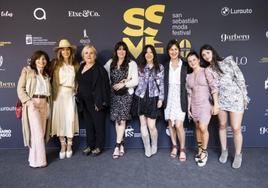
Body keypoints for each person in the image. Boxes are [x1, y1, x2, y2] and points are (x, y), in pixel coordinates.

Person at [200, 44, 249, 169]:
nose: (206, 56)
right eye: (203, 55)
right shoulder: (207, 70)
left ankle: (238, 155)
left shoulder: (228, 61)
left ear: (212, 51)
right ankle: (224, 150)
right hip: (221, 101)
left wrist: (244, 97)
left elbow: (240, 79)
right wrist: (214, 103)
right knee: (222, 125)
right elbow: (212, 88)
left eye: (207, 53)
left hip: (236, 97)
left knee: (236, 128)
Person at [17, 50, 51, 168]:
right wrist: (28, 101)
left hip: (44, 103)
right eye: (39, 59)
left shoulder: (47, 75)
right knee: (37, 132)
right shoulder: (27, 71)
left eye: (44, 59)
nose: (41, 61)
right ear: (34, 60)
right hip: (32, 103)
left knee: (40, 133)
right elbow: (20, 89)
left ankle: (32, 158)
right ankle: (40, 161)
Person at [104, 41, 138, 159]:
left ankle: (117, 146)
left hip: (126, 95)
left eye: (123, 49)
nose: (121, 51)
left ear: (126, 51)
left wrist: (124, 84)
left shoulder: (131, 63)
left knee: (122, 120)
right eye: (119, 49)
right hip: (113, 95)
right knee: (117, 120)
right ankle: (122, 143)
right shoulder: (110, 63)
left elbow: (135, 81)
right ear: (116, 51)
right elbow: (103, 74)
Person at [186, 51, 219, 167]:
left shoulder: (206, 71)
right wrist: (188, 108)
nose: (192, 62)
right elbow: (189, 94)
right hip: (194, 105)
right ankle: (200, 150)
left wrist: (216, 105)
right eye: (190, 61)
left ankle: (204, 152)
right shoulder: (188, 77)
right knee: (197, 128)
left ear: (199, 60)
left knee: (203, 127)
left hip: (205, 104)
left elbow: (214, 88)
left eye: (194, 60)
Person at [76, 44, 110, 156]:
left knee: (98, 126)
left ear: (95, 55)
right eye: (86, 53)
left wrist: (99, 103)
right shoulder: (81, 67)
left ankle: (99, 147)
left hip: (96, 103)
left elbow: (105, 88)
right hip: (84, 103)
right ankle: (90, 146)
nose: (89, 55)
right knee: (89, 126)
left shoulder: (100, 69)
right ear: (83, 55)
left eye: (91, 53)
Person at [50, 39, 79, 159]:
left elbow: (80, 80)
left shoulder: (76, 65)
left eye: (68, 49)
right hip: (59, 94)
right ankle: (63, 145)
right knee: (60, 120)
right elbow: (42, 73)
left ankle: (70, 145)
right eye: (63, 50)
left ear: (71, 51)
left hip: (70, 94)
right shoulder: (54, 64)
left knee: (70, 120)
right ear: (60, 52)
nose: (65, 51)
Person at [134, 45, 164, 157]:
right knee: (143, 124)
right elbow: (134, 80)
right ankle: (147, 147)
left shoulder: (159, 67)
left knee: (151, 126)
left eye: (151, 52)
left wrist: (161, 98)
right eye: (146, 52)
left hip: (153, 97)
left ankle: (154, 144)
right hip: (141, 97)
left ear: (154, 54)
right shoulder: (140, 67)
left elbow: (162, 85)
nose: (149, 54)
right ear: (144, 54)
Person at [163, 39, 188, 161]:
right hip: (169, 97)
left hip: (180, 97)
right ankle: (174, 146)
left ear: (179, 51)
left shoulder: (184, 65)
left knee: (178, 125)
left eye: (176, 49)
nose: (173, 52)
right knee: (170, 124)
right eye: (171, 49)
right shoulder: (165, 66)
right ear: (168, 51)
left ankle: (182, 148)